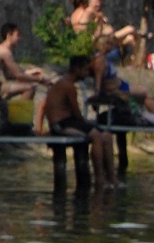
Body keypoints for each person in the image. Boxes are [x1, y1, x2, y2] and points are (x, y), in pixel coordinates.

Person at [36, 55, 114, 184]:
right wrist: (87, 124)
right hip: (61, 124)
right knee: (96, 135)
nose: (87, 73)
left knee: (106, 135)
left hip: (69, 121)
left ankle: (111, 178)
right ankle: (99, 178)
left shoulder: (66, 84)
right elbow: (76, 112)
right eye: (85, 69)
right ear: (77, 69)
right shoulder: (67, 86)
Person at [0, 24, 45, 102]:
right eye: (17, 35)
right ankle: (18, 113)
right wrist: (40, 79)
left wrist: (30, 73)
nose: (19, 38)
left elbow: (9, 76)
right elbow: (19, 76)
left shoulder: (0, 48)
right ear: (9, 35)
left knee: (16, 87)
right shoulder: (5, 52)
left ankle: (4, 106)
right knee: (30, 88)